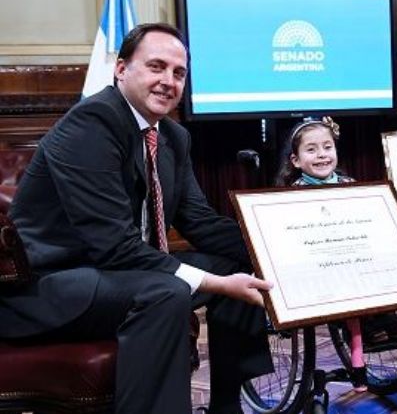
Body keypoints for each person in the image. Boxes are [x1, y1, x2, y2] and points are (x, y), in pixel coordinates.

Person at [0, 23, 273, 414]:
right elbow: (115, 247)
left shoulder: (173, 138)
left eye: (178, 73)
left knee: (236, 262)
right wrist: (217, 284)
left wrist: (271, 248)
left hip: (119, 274)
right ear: (122, 69)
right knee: (166, 292)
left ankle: (227, 405)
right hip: (50, 287)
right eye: (156, 67)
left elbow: (200, 222)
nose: (168, 81)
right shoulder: (90, 124)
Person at [275, 117, 397, 391]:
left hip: (359, 253)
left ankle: (392, 322)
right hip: (322, 261)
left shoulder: (351, 184)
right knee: (348, 273)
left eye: (327, 147)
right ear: (295, 160)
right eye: (311, 150)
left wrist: (395, 211)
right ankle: (369, 329)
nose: (322, 155)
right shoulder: (294, 194)